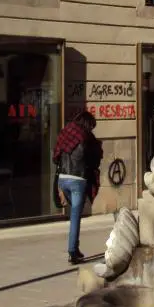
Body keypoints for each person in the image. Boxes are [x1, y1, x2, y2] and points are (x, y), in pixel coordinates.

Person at [53, 111, 102, 264]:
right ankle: (72, 251)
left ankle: (75, 247)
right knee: (75, 217)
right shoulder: (86, 136)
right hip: (77, 180)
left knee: (73, 212)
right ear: (87, 124)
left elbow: (56, 156)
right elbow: (95, 158)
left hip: (62, 179)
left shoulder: (65, 132)